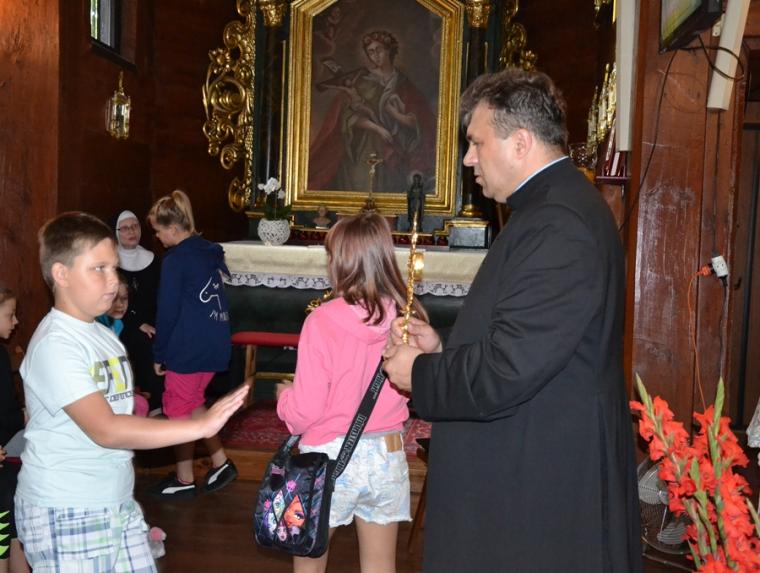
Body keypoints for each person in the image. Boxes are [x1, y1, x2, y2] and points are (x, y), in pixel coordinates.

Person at [382, 69, 643, 572]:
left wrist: (419, 372)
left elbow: (510, 367)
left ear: (521, 143)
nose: (468, 158)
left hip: (538, 484)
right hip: (530, 461)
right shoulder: (550, 208)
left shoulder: (560, 223)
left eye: (477, 142)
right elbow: (524, 333)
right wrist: (442, 347)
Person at [14, 212, 247, 572]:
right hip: (66, 507)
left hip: (116, 502)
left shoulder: (104, 336)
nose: (113, 281)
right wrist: (200, 426)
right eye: (99, 269)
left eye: (114, 268)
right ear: (61, 274)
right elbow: (106, 429)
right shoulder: (56, 344)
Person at [276, 212, 427, 573]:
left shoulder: (321, 321)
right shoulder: (405, 318)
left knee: (310, 563)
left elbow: (307, 409)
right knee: (380, 565)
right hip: (386, 454)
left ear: (340, 262)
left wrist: (285, 399)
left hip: (328, 458)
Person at [148, 190, 238, 499]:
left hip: (188, 349)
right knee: (193, 403)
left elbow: (167, 311)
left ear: (173, 229)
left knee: (178, 412)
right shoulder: (207, 251)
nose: (157, 237)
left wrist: (159, 353)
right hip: (214, 345)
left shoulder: (176, 260)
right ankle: (220, 463)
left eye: (158, 231)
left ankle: (184, 479)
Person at [308, 30, 437, 194]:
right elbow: (347, 116)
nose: (375, 56)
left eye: (379, 50)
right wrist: (377, 128)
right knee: (362, 187)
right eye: (370, 52)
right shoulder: (362, 80)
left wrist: (395, 115)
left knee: (388, 188)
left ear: (389, 50)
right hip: (363, 149)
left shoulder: (404, 85)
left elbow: (420, 123)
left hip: (395, 150)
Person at [115, 209, 164, 412]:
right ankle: (149, 402)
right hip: (123, 321)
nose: (131, 231)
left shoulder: (153, 260)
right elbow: (114, 302)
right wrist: (137, 323)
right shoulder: (112, 262)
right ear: (117, 233)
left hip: (152, 321)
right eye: (125, 228)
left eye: (134, 226)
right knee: (144, 342)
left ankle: (161, 401)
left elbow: (159, 297)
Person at [0, 286, 29, 573]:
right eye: (10, 314)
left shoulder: (1, 353)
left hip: (9, 451)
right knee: (3, 533)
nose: (16, 321)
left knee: (14, 528)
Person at [96, 272, 150, 417]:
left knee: (141, 405)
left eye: (124, 298)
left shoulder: (118, 324)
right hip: (102, 395)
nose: (120, 305)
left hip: (118, 388)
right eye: (113, 299)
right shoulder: (97, 326)